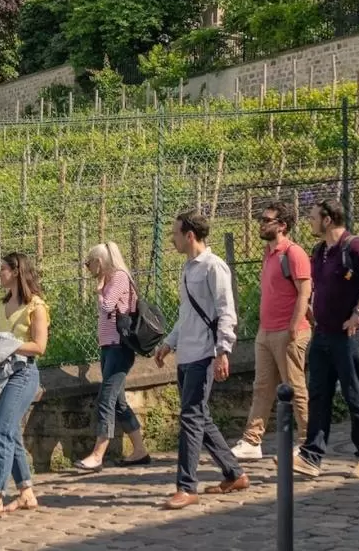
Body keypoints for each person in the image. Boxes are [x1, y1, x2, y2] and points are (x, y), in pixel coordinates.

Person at [155, 210, 249, 510]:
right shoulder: (187, 269)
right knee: (199, 416)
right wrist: (170, 343)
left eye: (175, 233)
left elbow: (226, 312)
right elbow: (188, 315)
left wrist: (223, 351)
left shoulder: (213, 267)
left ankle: (186, 486)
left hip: (205, 355)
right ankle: (234, 473)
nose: (173, 238)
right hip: (187, 353)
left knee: (191, 419)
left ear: (190, 235)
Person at [294, 199, 359, 480]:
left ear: (327, 220)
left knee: (354, 393)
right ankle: (311, 456)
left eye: (313, 217)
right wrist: (313, 307)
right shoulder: (321, 250)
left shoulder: (355, 247)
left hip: (352, 335)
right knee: (319, 395)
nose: (309, 221)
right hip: (323, 333)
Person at [230, 201, 312, 461]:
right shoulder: (269, 253)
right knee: (262, 387)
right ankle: (252, 441)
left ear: (282, 225)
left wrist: (293, 327)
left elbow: (304, 291)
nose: (261, 223)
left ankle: (306, 442)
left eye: (267, 220)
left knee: (295, 387)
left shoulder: (294, 253)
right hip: (266, 332)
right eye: (261, 219)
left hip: (288, 332)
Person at [0, 252, 50, 515]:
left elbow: (39, 346)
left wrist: (9, 346)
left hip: (23, 373)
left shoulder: (36, 307)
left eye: (3, 269)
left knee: (2, 432)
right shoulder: (1, 306)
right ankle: (26, 492)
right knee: (12, 434)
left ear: (17, 271)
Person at [73, 242, 151, 471]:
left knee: (105, 400)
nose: (88, 268)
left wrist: (99, 291)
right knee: (118, 403)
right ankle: (140, 450)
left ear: (100, 261)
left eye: (89, 263)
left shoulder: (118, 277)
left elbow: (107, 307)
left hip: (119, 347)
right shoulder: (112, 279)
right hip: (109, 346)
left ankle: (98, 455)